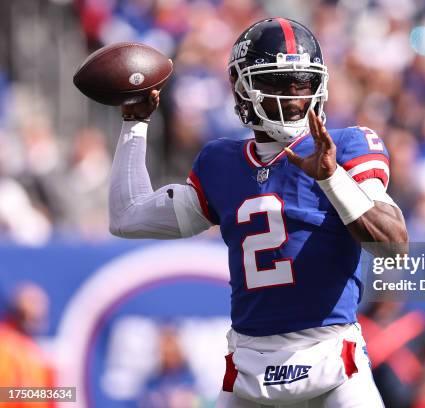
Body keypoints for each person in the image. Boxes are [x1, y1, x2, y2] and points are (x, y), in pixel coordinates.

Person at [109, 17, 407, 407]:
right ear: (242, 88)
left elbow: (394, 247)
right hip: (250, 373)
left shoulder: (347, 147)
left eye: (301, 83)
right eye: (276, 82)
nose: (292, 96)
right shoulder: (221, 163)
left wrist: (332, 177)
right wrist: (135, 124)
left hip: (334, 365)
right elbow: (127, 216)